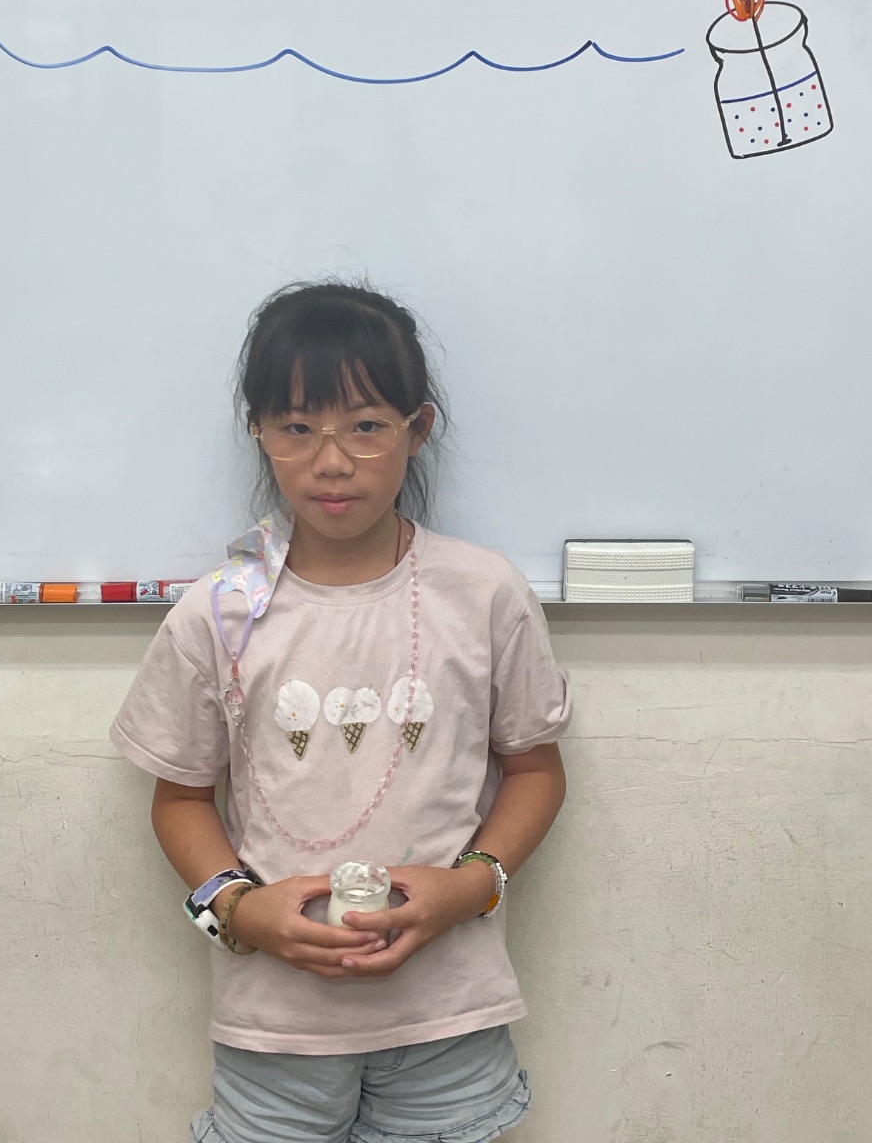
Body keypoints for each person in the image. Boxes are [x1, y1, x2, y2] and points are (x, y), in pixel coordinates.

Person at [110, 280, 572, 1143]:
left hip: (448, 1020)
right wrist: (236, 906)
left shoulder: (483, 593)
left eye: (365, 426)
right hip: (275, 1029)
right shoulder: (222, 607)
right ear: (257, 429)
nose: (331, 461)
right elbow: (180, 798)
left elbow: (535, 770)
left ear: (417, 429)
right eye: (296, 427)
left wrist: (471, 886)